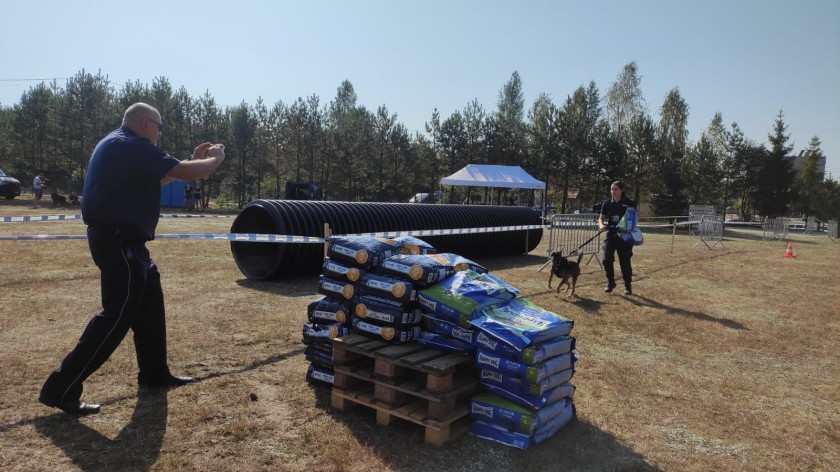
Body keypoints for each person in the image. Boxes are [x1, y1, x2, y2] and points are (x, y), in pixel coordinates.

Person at [39, 102, 226, 416]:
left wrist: (193, 160)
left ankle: (154, 375)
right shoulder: (130, 144)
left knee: (150, 303)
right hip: (118, 240)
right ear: (144, 123)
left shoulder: (121, 145)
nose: (159, 133)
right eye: (159, 126)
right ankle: (61, 387)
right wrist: (214, 159)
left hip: (126, 241)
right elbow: (185, 171)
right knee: (117, 315)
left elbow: (163, 176)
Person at [597, 181, 636, 295]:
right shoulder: (607, 203)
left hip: (624, 237)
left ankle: (628, 286)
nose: (613, 191)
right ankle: (611, 282)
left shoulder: (629, 203)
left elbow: (634, 218)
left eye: (615, 189)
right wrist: (601, 225)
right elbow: (601, 218)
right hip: (611, 235)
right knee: (606, 259)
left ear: (621, 190)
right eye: (611, 189)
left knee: (625, 262)